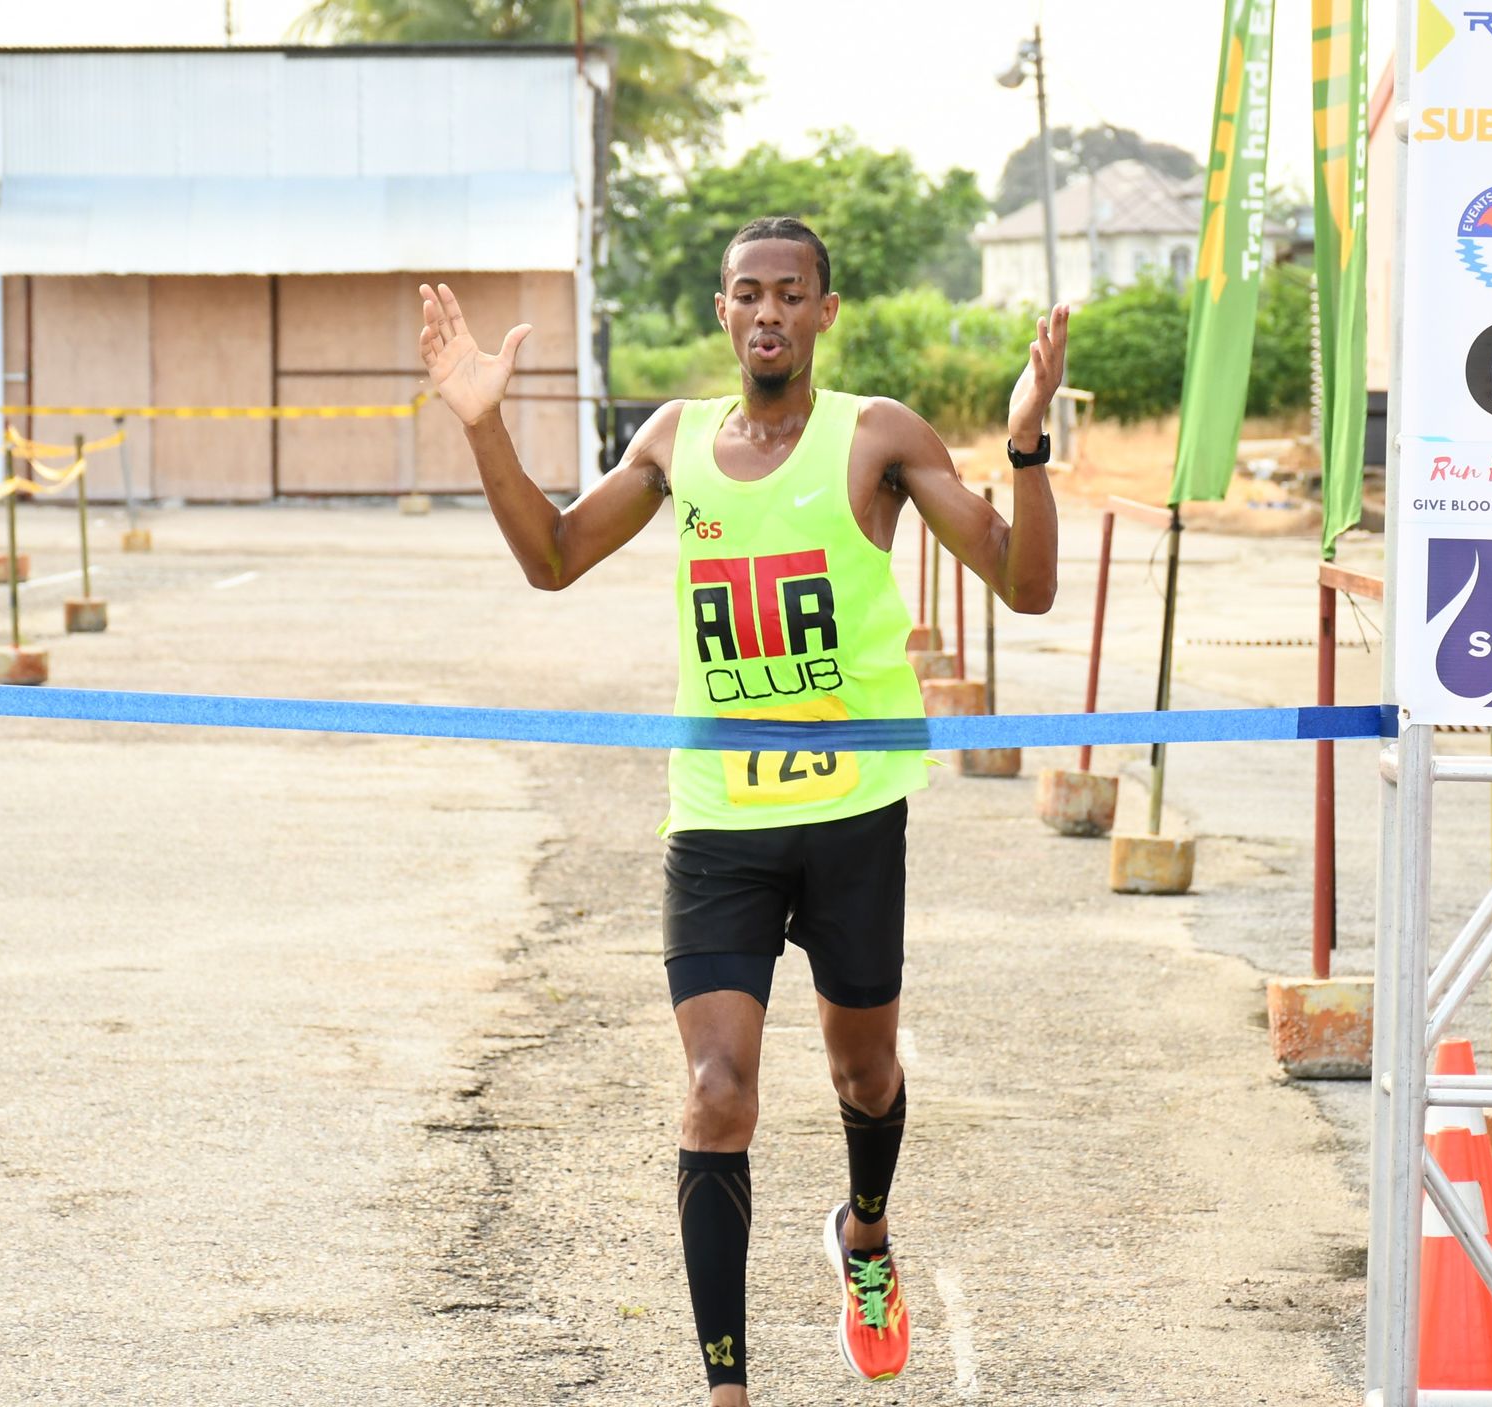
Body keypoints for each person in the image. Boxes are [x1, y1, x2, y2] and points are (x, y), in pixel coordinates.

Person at [418, 215, 1064, 1401]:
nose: (766, 313)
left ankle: (864, 1235)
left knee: (864, 1075)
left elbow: (1026, 590)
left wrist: (1025, 449)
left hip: (856, 808)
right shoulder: (675, 443)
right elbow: (552, 557)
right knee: (718, 1093)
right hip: (718, 814)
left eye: (789, 294)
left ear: (825, 312)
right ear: (722, 312)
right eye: (745, 294)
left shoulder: (877, 439)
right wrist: (484, 423)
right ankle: (728, 1389)